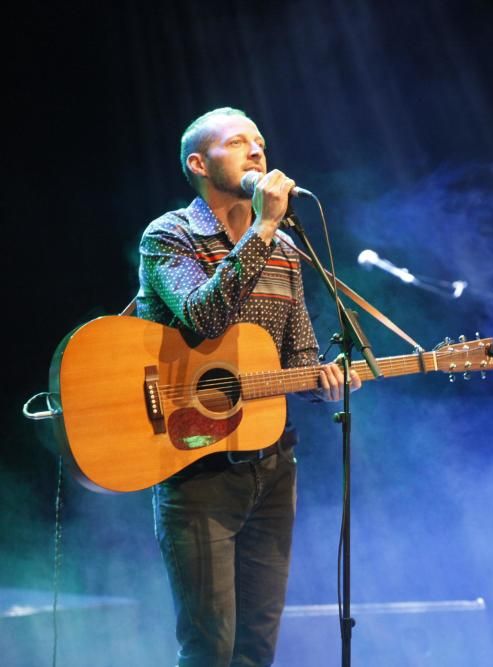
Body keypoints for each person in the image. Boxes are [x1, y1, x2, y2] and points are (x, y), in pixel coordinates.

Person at [136, 107, 361, 666]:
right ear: (198, 163)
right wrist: (262, 227)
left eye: (259, 141)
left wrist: (325, 379)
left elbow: (300, 355)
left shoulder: (286, 250)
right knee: (210, 646)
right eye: (238, 142)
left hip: (273, 469)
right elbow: (202, 317)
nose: (257, 151)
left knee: (257, 647)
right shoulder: (171, 235)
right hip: (196, 469)